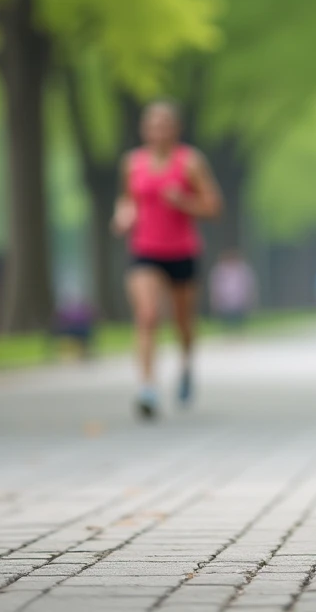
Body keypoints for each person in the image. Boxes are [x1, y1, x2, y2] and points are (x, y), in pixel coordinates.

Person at [112, 100, 222, 419]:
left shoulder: (190, 163)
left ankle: (186, 366)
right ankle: (147, 387)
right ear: (144, 129)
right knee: (147, 315)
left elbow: (213, 207)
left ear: (176, 129)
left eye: (165, 125)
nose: (158, 131)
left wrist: (185, 202)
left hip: (182, 251)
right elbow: (127, 200)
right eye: (153, 125)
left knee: (182, 322)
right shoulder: (132, 163)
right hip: (144, 249)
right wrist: (123, 215)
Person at [209, 250, 258, 329]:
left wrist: (250, 300)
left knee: (240, 326)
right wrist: (215, 302)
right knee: (226, 326)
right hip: (224, 304)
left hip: (240, 303)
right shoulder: (219, 270)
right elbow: (215, 288)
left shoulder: (244, 269)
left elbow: (249, 286)